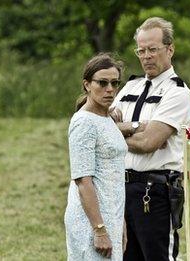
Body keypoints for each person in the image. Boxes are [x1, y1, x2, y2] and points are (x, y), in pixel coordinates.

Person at [111, 17, 190, 260]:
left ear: (170, 49)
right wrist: (138, 127)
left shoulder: (176, 92)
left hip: (155, 191)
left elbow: (149, 143)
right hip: (120, 188)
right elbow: (103, 123)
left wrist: (116, 132)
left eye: (153, 49)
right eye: (141, 50)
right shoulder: (129, 88)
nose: (146, 56)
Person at [65, 53, 128, 261]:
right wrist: (99, 229)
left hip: (111, 214)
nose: (110, 89)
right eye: (102, 83)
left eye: (114, 83)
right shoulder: (84, 122)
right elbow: (83, 180)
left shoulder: (105, 117)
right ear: (87, 85)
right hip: (91, 220)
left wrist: (121, 222)